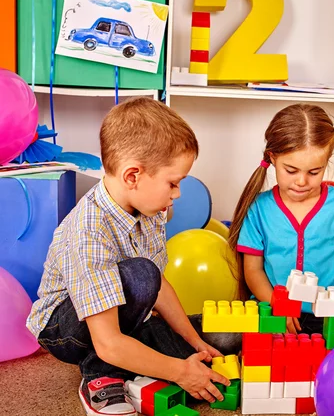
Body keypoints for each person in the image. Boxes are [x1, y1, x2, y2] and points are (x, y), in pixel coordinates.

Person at [26, 97, 241, 416]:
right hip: (66, 328)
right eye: (173, 183)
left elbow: (160, 287)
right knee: (140, 276)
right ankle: (99, 377)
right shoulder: (89, 231)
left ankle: (135, 359)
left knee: (226, 338)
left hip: (124, 318)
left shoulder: (151, 207)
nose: (177, 193)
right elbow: (112, 336)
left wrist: (194, 340)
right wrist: (180, 373)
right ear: (132, 176)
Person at [228, 103, 334, 335]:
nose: (301, 181)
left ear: (326, 163)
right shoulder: (259, 208)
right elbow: (253, 270)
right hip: (273, 309)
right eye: (291, 171)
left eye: (314, 172)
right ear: (273, 158)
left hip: (327, 314)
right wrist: (277, 304)